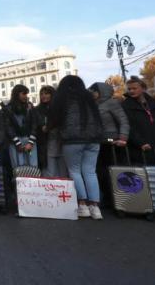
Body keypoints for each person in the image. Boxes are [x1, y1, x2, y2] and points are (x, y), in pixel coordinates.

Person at [48, 75, 104, 219]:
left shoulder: (61, 99)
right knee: (90, 172)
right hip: (93, 139)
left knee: (74, 171)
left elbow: (54, 120)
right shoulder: (88, 98)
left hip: (72, 139)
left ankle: (82, 205)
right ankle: (95, 208)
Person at [88, 82, 130, 205]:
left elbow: (123, 121)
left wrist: (123, 137)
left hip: (113, 142)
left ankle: (121, 197)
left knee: (114, 169)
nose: (92, 94)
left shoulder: (112, 103)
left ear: (101, 91)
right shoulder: (92, 105)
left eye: (94, 91)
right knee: (100, 171)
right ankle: (107, 196)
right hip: (97, 142)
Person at [122, 76, 155, 164]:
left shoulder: (153, 102)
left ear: (143, 88)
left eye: (134, 88)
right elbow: (129, 126)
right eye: (129, 89)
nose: (131, 91)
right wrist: (140, 142)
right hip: (141, 146)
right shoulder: (126, 105)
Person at [4, 85, 38, 168]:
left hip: (29, 140)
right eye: (23, 94)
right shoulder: (8, 108)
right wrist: (17, 143)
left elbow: (35, 124)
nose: (26, 96)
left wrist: (30, 142)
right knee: (18, 168)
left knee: (32, 168)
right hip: (15, 142)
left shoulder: (29, 106)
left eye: (26, 94)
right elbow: (8, 127)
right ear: (17, 94)